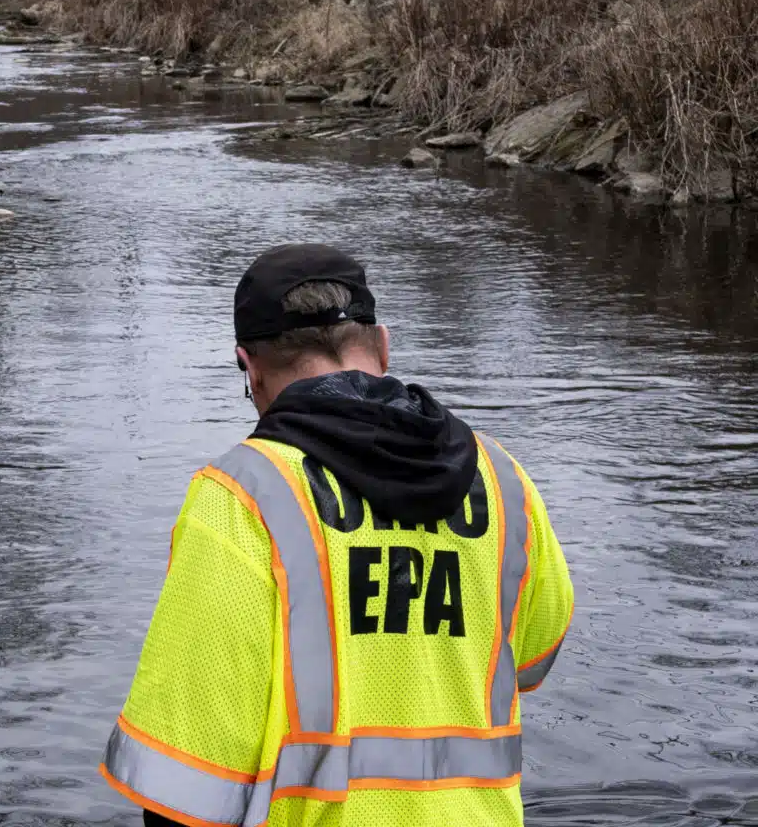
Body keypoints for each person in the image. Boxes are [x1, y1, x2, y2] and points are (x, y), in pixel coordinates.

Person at [101, 243, 574, 827]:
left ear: (248, 368)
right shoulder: (503, 479)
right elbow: (533, 657)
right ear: (382, 345)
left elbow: (186, 778)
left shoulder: (240, 499)